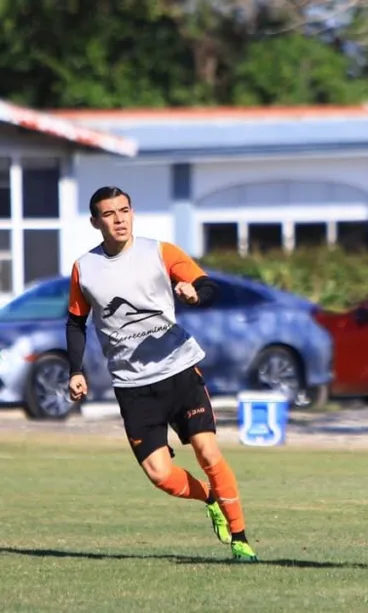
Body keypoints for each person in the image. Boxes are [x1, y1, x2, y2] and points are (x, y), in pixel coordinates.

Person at [66, 186, 258, 562]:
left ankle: (240, 539)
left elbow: (207, 285)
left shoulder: (160, 251)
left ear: (132, 212)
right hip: (132, 385)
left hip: (179, 370)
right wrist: (75, 370)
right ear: (94, 222)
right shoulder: (84, 268)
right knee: (159, 474)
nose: (119, 219)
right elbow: (75, 322)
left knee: (207, 450)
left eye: (124, 210)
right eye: (109, 214)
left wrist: (194, 295)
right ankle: (211, 498)